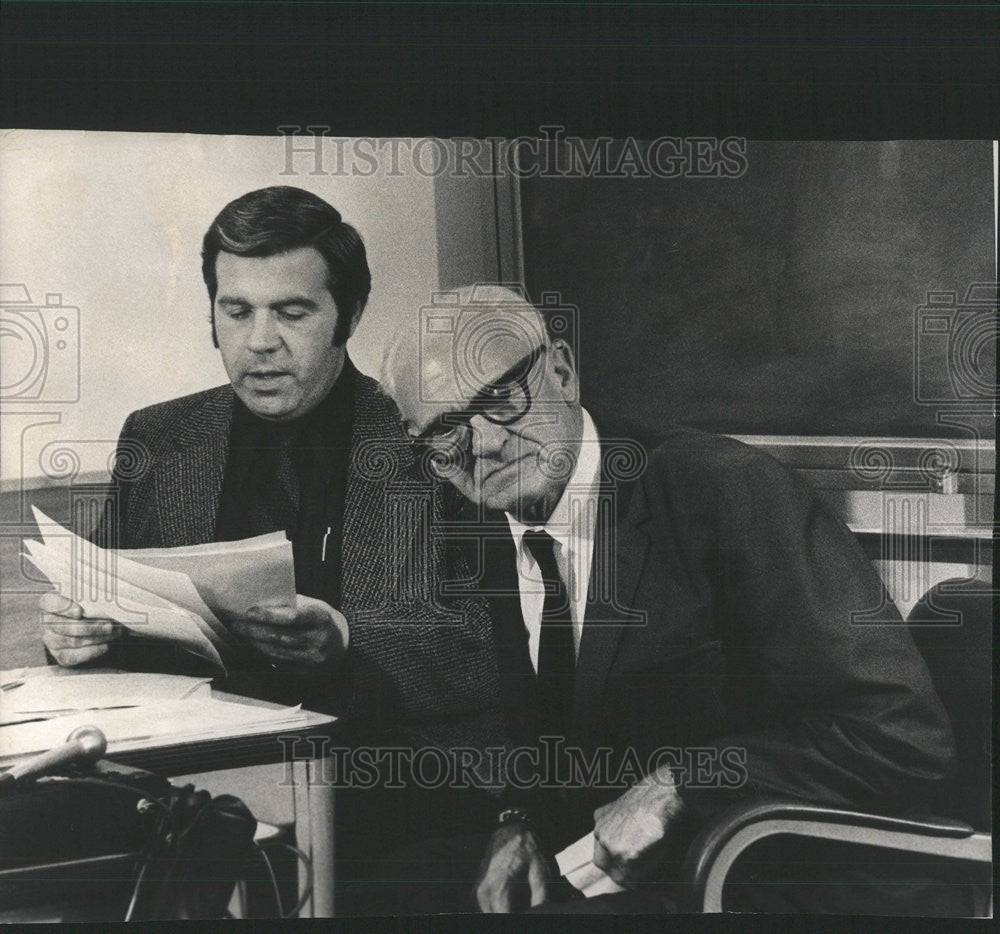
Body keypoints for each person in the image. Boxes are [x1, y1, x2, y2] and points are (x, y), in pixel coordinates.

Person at [379, 284, 961, 915]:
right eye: (445, 433)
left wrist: (681, 785)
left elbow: (901, 736)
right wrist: (518, 818)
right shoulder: (480, 527)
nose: (484, 444)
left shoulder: (728, 493)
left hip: (785, 882)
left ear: (563, 372)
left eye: (501, 397)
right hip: (630, 880)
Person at [38, 188, 509, 869]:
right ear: (212, 316)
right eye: (237, 312)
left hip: (390, 779)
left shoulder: (426, 437)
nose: (260, 342)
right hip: (192, 783)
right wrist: (76, 637)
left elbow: (493, 646)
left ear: (347, 314)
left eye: (292, 312)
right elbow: (112, 623)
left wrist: (347, 641)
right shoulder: (160, 438)